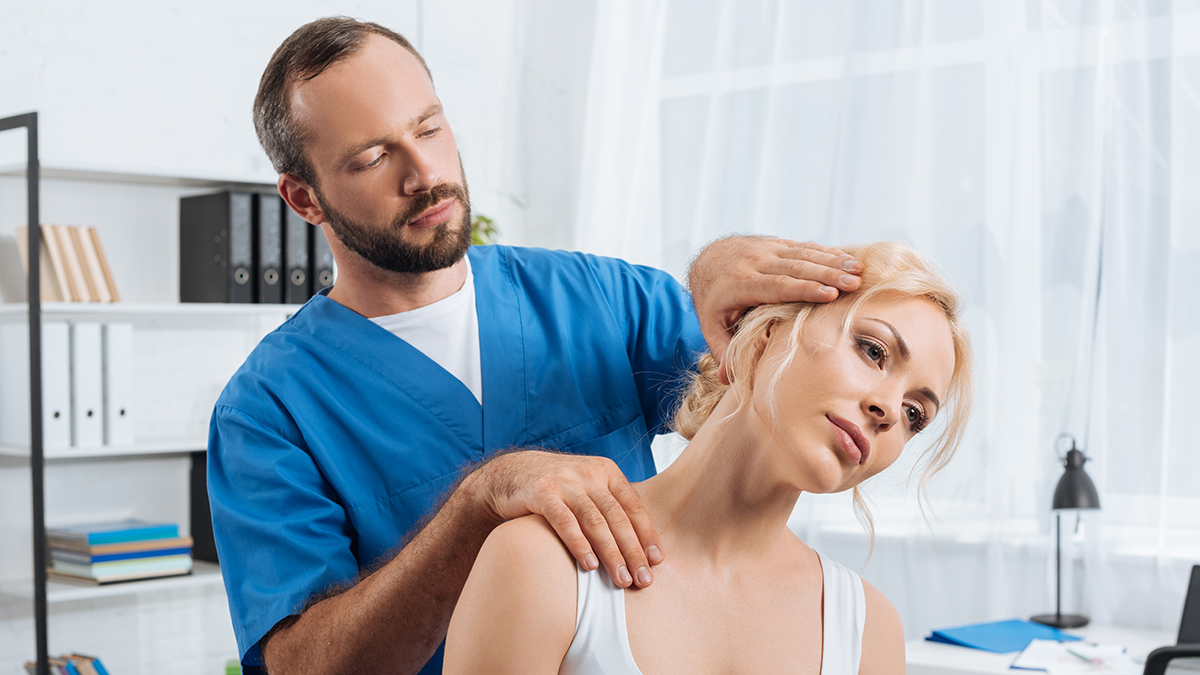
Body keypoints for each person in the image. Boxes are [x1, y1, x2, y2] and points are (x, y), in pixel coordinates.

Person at [208, 16, 865, 675]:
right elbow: (299, 664)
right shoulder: (268, 410)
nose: (424, 173)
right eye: (374, 158)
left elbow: (756, 396)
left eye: (429, 127)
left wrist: (719, 280)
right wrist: (477, 502)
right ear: (304, 198)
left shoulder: (601, 299)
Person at [444, 241, 975, 674]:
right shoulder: (541, 564)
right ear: (766, 335)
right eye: (874, 350)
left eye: (915, 414)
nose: (887, 411)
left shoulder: (869, 633)